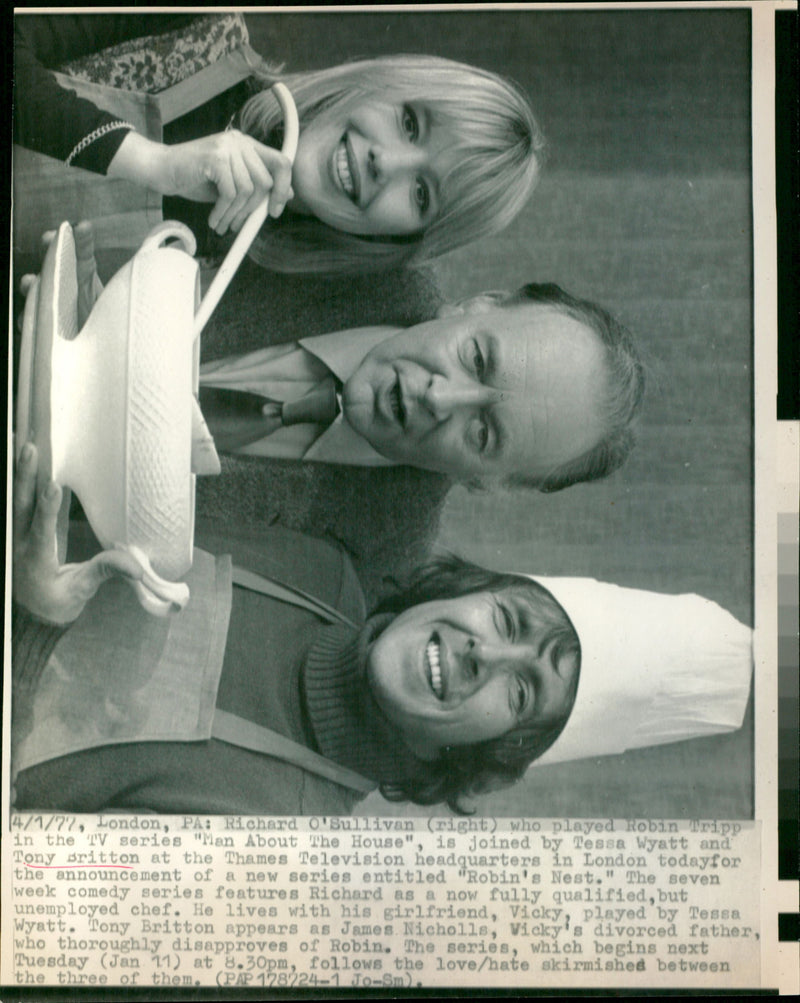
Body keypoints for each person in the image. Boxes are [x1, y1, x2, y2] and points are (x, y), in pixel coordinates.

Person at [11, 444, 753, 816]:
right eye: (508, 618)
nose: (482, 654)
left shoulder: (275, 847)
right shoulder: (318, 566)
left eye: (522, 691)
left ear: (491, 757)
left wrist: (31, 628)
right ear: (470, 588)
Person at [13, 12, 543, 273]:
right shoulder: (202, 23)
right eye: (410, 123)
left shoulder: (248, 290)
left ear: (398, 242)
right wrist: (153, 163)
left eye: (422, 193)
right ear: (380, 81)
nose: (388, 162)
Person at [199, 281, 645, 492]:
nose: (439, 397)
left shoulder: (364, 575)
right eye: (477, 359)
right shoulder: (340, 234)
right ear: (478, 304)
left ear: (486, 481)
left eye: (483, 434)